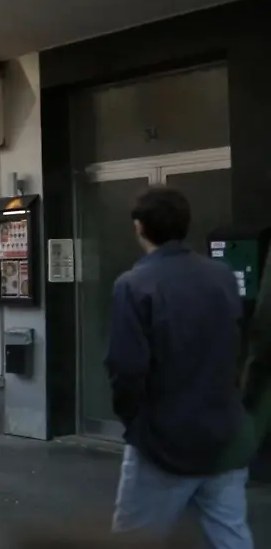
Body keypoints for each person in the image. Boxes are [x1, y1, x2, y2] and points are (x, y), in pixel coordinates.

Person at [107, 186, 255, 547]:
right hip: (225, 433)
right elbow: (238, 343)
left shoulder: (133, 285)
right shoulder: (221, 276)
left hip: (163, 443)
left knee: (134, 539)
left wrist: (135, 423)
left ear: (139, 227)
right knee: (231, 534)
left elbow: (126, 368)